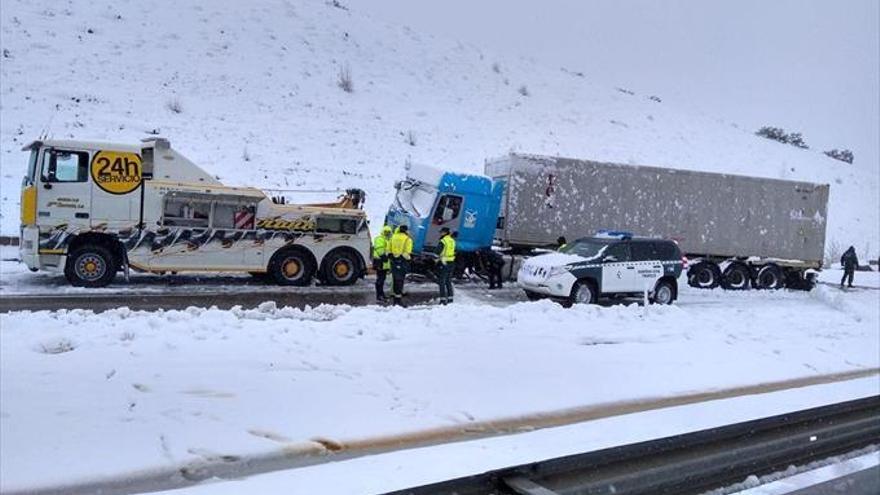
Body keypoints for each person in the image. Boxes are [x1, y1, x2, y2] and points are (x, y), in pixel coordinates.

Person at [389, 225, 413, 306]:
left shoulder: (393, 237)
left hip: (393, 261)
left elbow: (388, 249)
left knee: (395, 279)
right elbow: (407, 252)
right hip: (402, 261)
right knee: (400, 280)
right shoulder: (407, 239)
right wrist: (405, 258)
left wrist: (393, 257)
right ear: (406, 230)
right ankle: (398, 300)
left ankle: (395, 300)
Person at [435, 227, 456, 304]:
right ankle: (450, 299)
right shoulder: (452, 240)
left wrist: (436, 259)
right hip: (451, 262)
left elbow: (437, 252)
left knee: (442, 282)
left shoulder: (443, 241)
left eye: (441, 232)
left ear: (444, 233)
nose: (440, 233)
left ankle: (442, 300)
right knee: (448, 281)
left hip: (444, 262)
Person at [371, 225, 393, 302]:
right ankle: (379, 295)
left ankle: (381, 294)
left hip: (384, 263)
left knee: (382, 279)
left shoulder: (388, 240)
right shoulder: (380, 239)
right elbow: (379, 249)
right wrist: (383, 256)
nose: (387, 234)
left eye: (389, 232)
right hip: (380, 261)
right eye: (386, 232)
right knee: (380, 279)